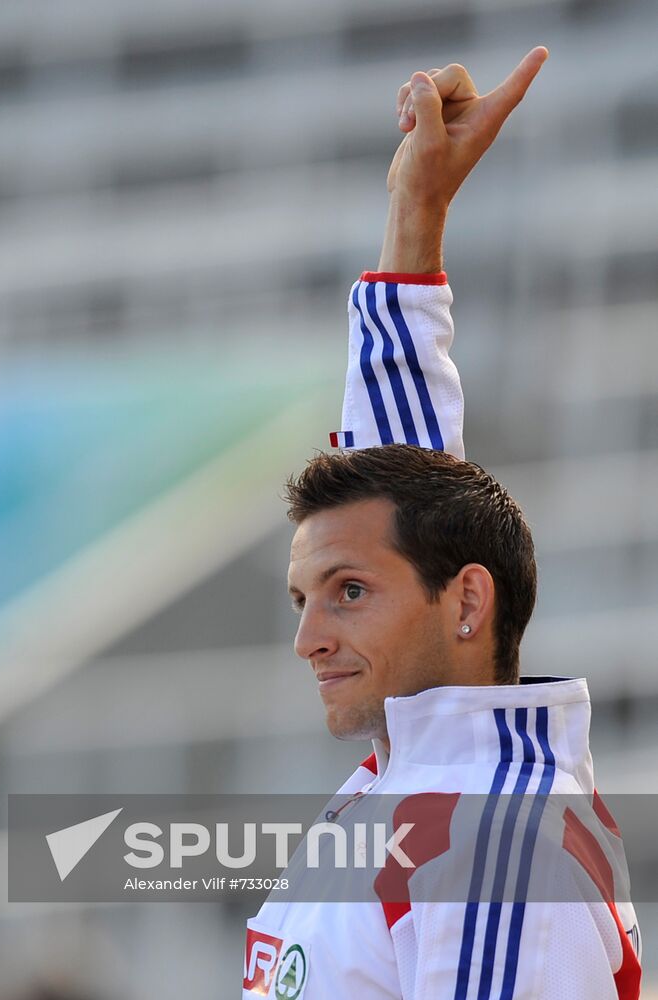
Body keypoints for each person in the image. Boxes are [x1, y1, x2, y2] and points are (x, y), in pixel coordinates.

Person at [242, 48, 643, 999]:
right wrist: (415, 215)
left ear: (468, 603)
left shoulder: (490, 840)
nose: (307, 638)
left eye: (346, 595)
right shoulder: (423, 787)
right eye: (304, 597)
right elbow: (410, 496)